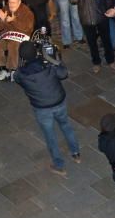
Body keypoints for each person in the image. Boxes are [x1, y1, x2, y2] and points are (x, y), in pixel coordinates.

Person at [13, 40, 80, 176]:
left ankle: (59, 165)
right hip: (58, 102)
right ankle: (76, 153)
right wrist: (55, 60)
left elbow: (18, 78)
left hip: (41, 108)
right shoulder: (48, 66)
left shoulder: (20, 74)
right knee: (66, 126)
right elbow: (63, 73)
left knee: (50, 136)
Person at [71, 0, 115, 73]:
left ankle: (111, 60)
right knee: (92, 43)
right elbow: (71, 0)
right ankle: (96, 62)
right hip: (86, 17)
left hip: (100, 16)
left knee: (106, 40)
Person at [0, 0, 35, 80]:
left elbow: (27, 28)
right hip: (7, 35)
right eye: (9, 2)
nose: (11, 5)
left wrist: (13, 21)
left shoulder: (26, 11)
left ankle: (12, 70)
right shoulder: (6, 9)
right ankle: (2, 69)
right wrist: (2, 20)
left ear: (19, 2)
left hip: (21, 37)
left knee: (13, 45)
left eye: (13, 2)